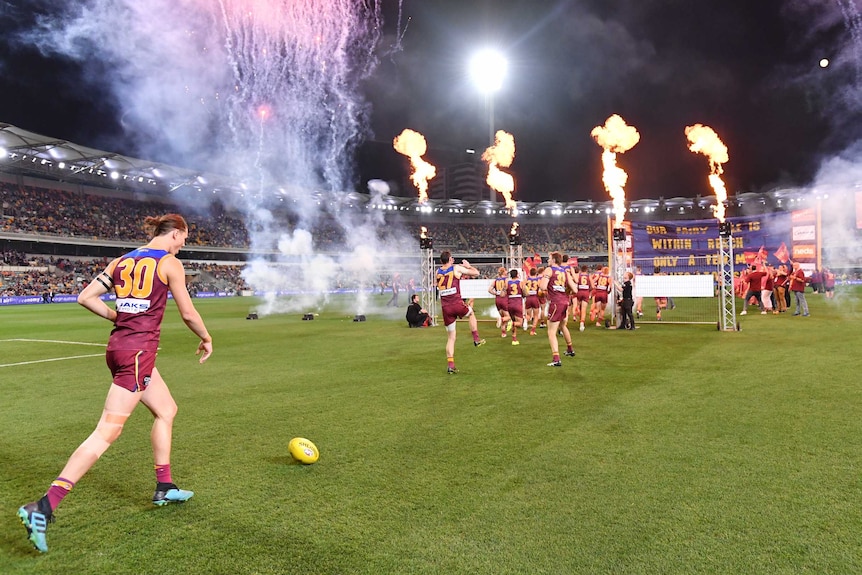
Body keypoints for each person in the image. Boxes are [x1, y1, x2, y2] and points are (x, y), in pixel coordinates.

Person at [17, 214, 213, 554]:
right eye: (184, 239)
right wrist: (206, 337)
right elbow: (188, 313)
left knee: (166, 410)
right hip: (137, 354)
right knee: (105, 432)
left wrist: (119, 317)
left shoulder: (122, 260)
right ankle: (43, 507)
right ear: (176, 233)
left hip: (120, 349)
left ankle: (164, 486)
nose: (183, 245)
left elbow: (85, 297)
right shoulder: (168, 264)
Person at [436, 251, 486, 374]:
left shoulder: (437, 272)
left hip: (445, 307)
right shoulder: (456, 268)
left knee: (451, 338)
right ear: (450, 259)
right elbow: (476, 273)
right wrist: (468, 266)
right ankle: (476, 339)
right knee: (471, 313)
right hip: (456, 303)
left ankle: (451, 365)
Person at [538, 251, 577, 367]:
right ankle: (570, 349)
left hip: (555, 302)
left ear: (554, 260)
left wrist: (545, 284)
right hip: (565, 302)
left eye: (549, 258)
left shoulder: (549, 270)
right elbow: (575, 290)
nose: (548, 260)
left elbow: (543, 286)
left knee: (551, 331)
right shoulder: (565, 271)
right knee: (562, 325)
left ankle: (556, 358)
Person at [488, 266, 512, 337]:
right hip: (504, 299)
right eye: (505, 271)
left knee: (503, 316)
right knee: (509, 316)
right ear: (503, 272)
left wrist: (495, 293)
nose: (507, 272)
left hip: (497, 299)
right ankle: (500, 319)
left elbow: (489, 290)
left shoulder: (496, 280)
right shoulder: (506, 280)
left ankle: (503, 333)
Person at [506, 269, 525, 346]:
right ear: (517, 274)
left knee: (514, 321)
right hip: (518, 304)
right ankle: (511, 323)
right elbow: (525, 292)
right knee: (520, 323)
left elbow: (503, 294)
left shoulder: (507, 283)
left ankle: (514, 339)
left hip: (510, 304)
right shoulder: (521, 282)